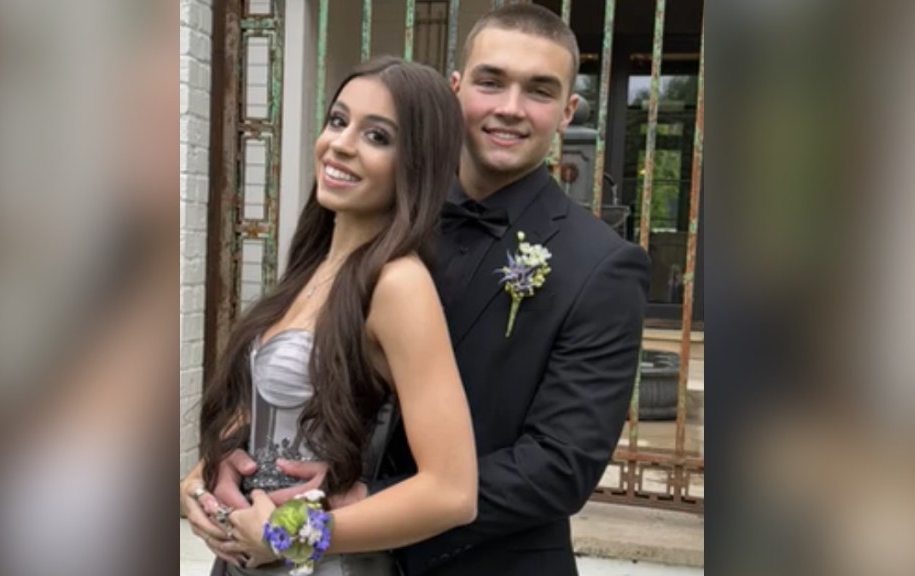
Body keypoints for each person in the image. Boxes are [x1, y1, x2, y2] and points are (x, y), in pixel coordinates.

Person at [206, 5, 650, 575]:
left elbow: (560, 466)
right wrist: (221, 465)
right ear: (456, 89)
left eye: (539, 91)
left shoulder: (602, 265)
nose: (509, 109)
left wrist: (362, 504)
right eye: (491, 82)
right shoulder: (372, 207)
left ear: (566, 112)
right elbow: (297, 363)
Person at [179, 57, 478, 575]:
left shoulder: (398, 284)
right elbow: (262, 415)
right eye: (338, 121)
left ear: (417, 163)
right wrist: (200, 482)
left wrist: (292, 534)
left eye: (378, 136)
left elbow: (452, 491)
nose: (340, 144)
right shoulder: (312, 268)